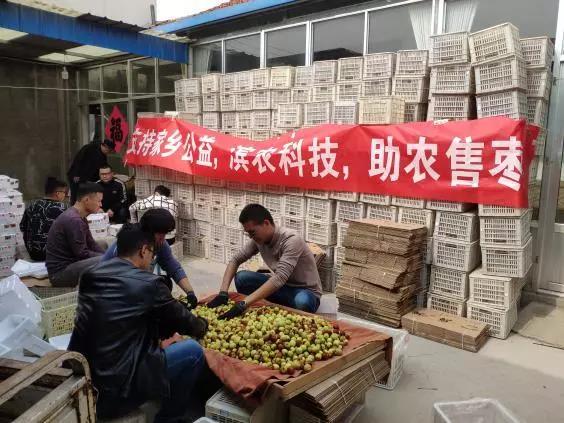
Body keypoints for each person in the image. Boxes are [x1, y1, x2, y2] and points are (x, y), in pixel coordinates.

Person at [68, 223, 208, 421]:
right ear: (144, 250)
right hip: (115, 393)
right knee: (193, 351)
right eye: (152, 254)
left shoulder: (90, 275)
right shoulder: (149, 283)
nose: (152, 260)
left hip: (83, 380)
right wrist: (203, 324)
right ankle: (169, 418)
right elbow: (187, 323)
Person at [207, 204, 322, 319]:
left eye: (252, 232)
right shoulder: (258, 240)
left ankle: (272, 305)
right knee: (242, 278)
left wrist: (243, 304)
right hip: (280, 288)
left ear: (266, 223)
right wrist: (223, 293)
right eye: (248, 233)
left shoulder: (291, 240)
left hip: (303, 291)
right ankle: (275, 306)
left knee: (303, 301)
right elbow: (235, 260)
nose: (251, 237)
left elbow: (280, 278)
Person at [102, 208, 198, 309]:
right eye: (160, 235)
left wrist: (190, 293)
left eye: (165, 235)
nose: (163, 239)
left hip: (136, 283)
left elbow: (173, 267)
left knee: (165, 283)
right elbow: (130, 284)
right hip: (114, 290)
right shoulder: (129, 245)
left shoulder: (159, 243)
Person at [46, 182, 105, 287]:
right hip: (60, 274)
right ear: (86, 200)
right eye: (99, 201)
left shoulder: (80, 216)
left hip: (73, 262)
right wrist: (109, 258)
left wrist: (109, 256)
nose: (101, 205)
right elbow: (82, 254)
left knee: (103, 244)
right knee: (104, 260)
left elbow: (91, 243)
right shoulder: (74, 220)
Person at [19, 177, 69, 261]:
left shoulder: (32, 205)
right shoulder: (63, 208)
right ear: (57, 193)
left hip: (33, 253)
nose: (65, 195)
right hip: (54, 254)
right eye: (64, 192)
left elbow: (22, 227)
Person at [67, 138, 115, 204]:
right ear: (105, 147)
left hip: (88, 180)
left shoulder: (103, 155)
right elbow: (78, 163)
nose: (109, 153)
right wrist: (76, 178)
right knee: (76, 197)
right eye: (109, 151)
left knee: (87, 198)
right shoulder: (89, 148)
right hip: (77, 176)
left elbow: (103, 167)